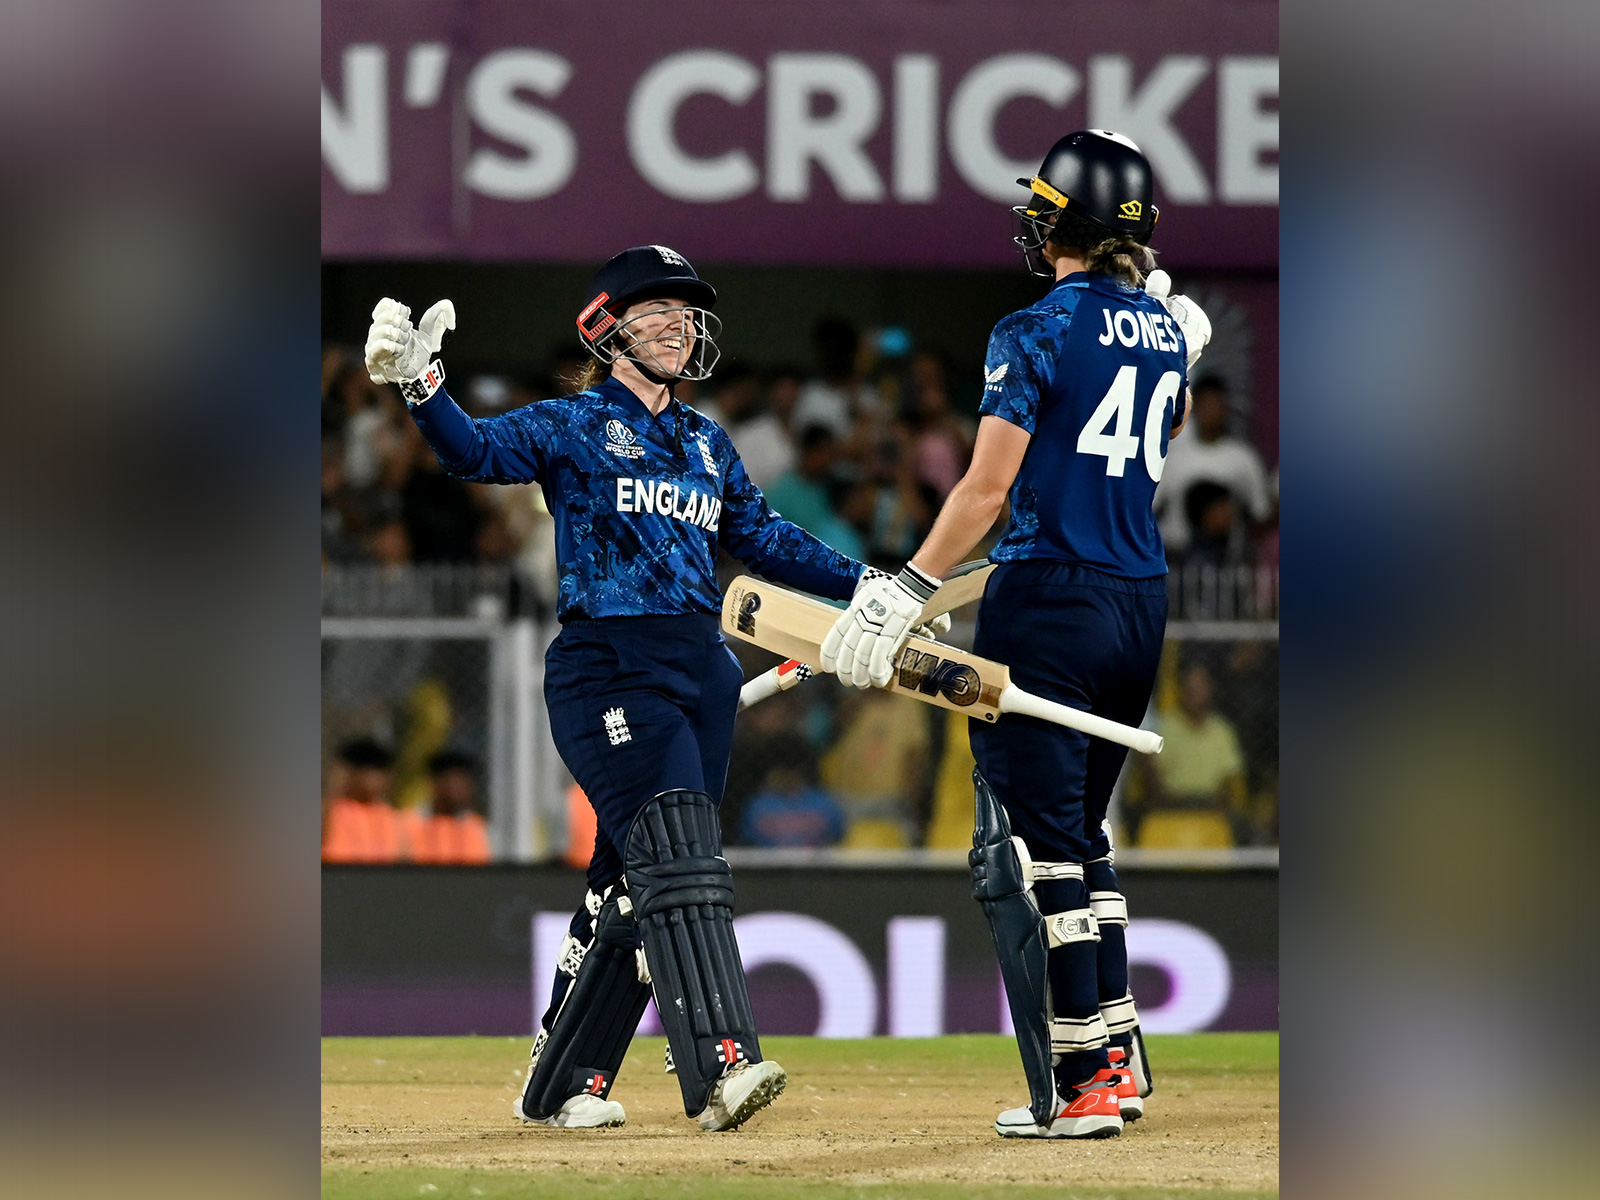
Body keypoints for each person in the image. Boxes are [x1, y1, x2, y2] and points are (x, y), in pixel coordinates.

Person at [363, 245, 872, 1133]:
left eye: (688, 311)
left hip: (700, 669)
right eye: (657, 309)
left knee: (631, 882)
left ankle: (564, 1079)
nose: (680, 323)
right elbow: (474, 454)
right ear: (608, 327)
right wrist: (421, 385)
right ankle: (719, 1065)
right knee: (679, 852)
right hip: (607, 663)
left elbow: (769, 540)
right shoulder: (572, 423)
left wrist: (875, 589)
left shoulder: (709, 441)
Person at [819, 131, 1213, 1139]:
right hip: (1138, 603)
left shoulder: (1031, 329)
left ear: (1067, 224)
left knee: (1049, 854)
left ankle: (1084, 1088)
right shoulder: (1166, 331)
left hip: (1050, 601)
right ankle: (1116, 1062)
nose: (1030, 219)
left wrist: (905, 586)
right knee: (1086, 836)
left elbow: (988, 487)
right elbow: (1146, 444)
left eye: (1044, 205)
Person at [1152, 375, 1273, 562]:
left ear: (1225, 409)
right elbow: (1151, 508)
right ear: (1193, 409)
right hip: (1175, 561)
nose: (1210, 412)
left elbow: (1261, 514)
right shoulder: (1173, 457)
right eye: (1204, 405)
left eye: (1215, 405)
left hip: (1228, 563)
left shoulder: (1243, 458)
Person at [321, 738, 404, 863]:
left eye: (380, 770)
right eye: (367, 769)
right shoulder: (333, 810)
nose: (373, 778)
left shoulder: (394, 818)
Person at [404, 749, 493, 864]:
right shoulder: (410, 823)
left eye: (466, 781)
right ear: (436, 782)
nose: (464, 788)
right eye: (457, 780)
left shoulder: (476, 827)